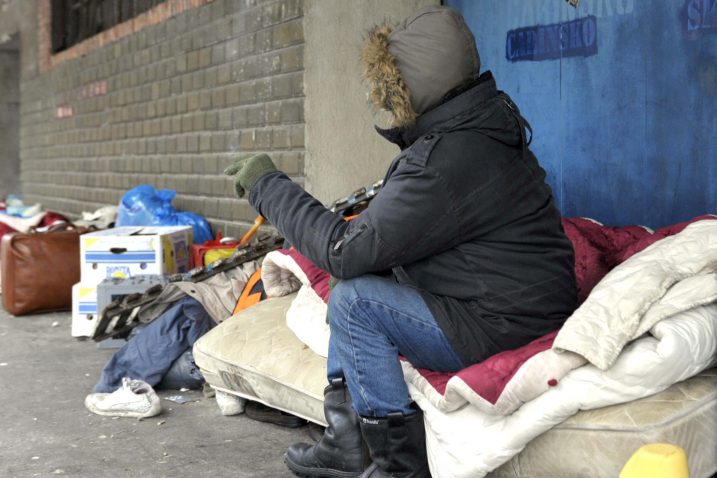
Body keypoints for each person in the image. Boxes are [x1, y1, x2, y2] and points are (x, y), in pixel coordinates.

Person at [224, 5, 577, 478]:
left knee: (353, 299)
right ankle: (345, 441)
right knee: (370, 275)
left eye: (389, 87)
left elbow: (343, 252)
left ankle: (398, 466)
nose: (384, 100)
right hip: (520, 303)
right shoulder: (482, 126)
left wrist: (267, 185)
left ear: (409, 85)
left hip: (502, 321)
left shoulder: (444, 159)